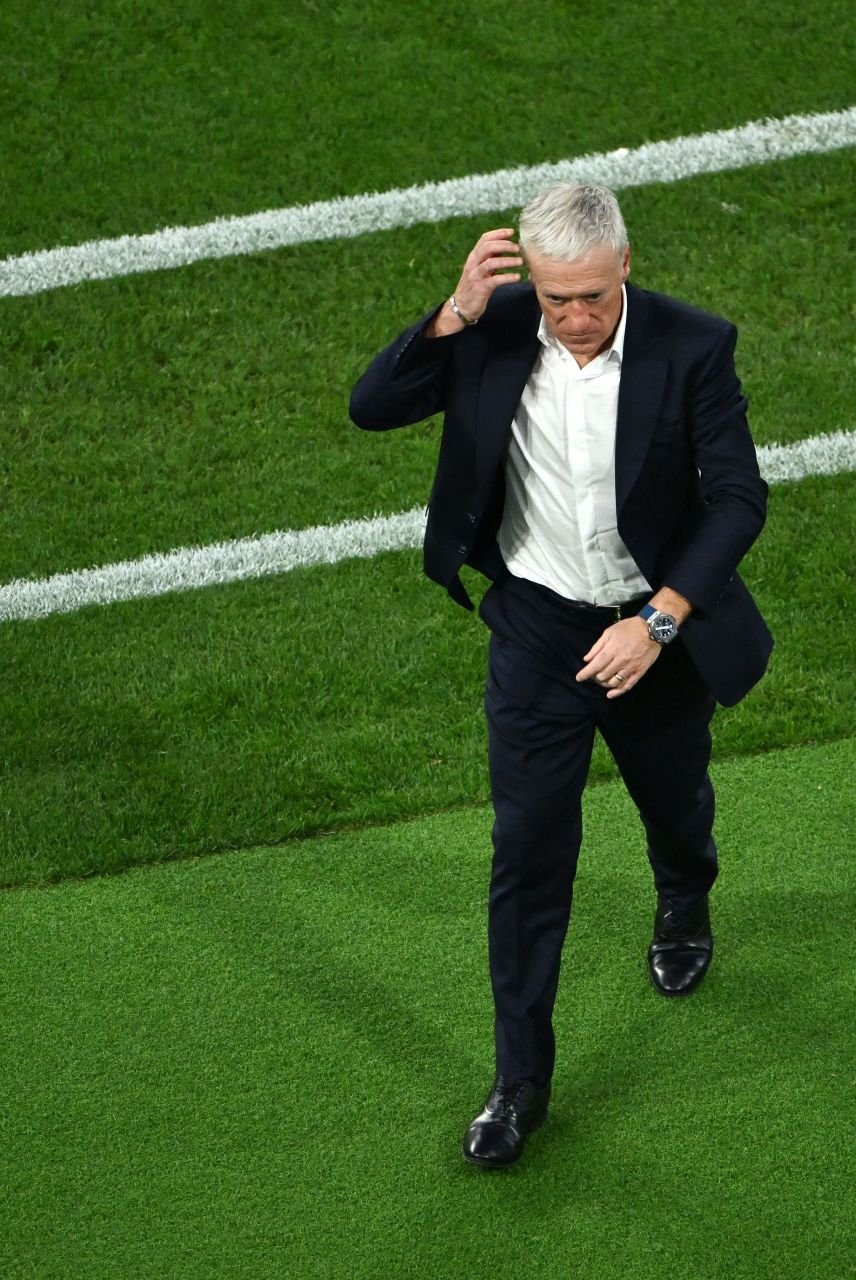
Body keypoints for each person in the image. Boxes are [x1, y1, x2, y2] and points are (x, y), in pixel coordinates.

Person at [348, 183, 772, 1168]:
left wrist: (660, 619)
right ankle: (519, 1082)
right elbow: (372, 409)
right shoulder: (493, 328)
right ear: (529, 281)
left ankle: (683, 893)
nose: (574, 318)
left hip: (649, 630)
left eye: (590, 294)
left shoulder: (693, 344)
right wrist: (452, 313)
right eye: (553, 299)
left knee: (674, 799)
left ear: (625, 263)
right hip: (536, 629)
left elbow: (739, 497)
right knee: (528, 848)